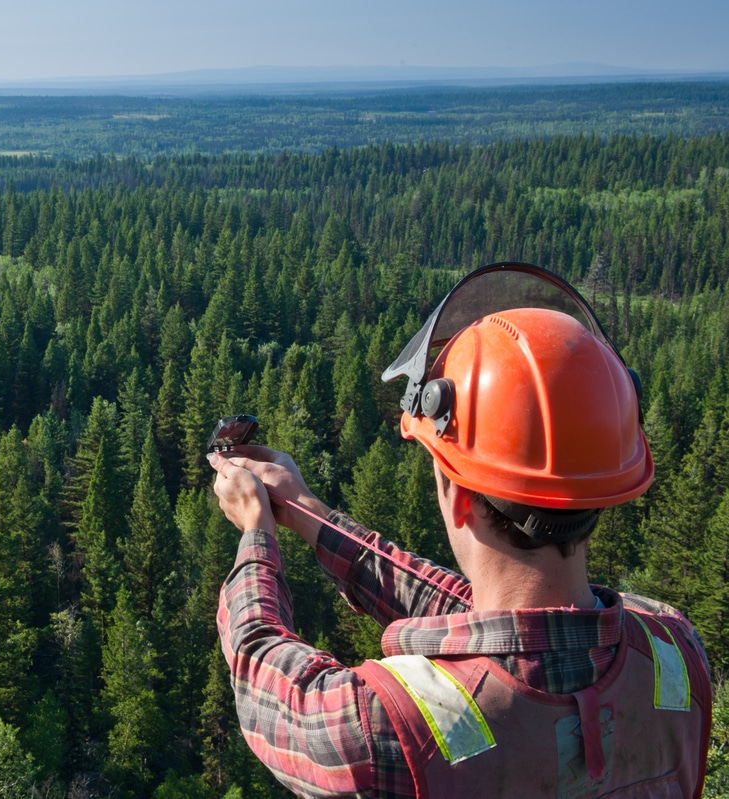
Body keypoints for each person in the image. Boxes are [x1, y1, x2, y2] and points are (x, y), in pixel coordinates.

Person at [208, 264, 712, 798]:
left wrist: (256, 534)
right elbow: (494, 623)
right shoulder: (675, 649)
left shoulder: (385, 729)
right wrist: (310, 513)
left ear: (460, 497)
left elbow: (260, 667)